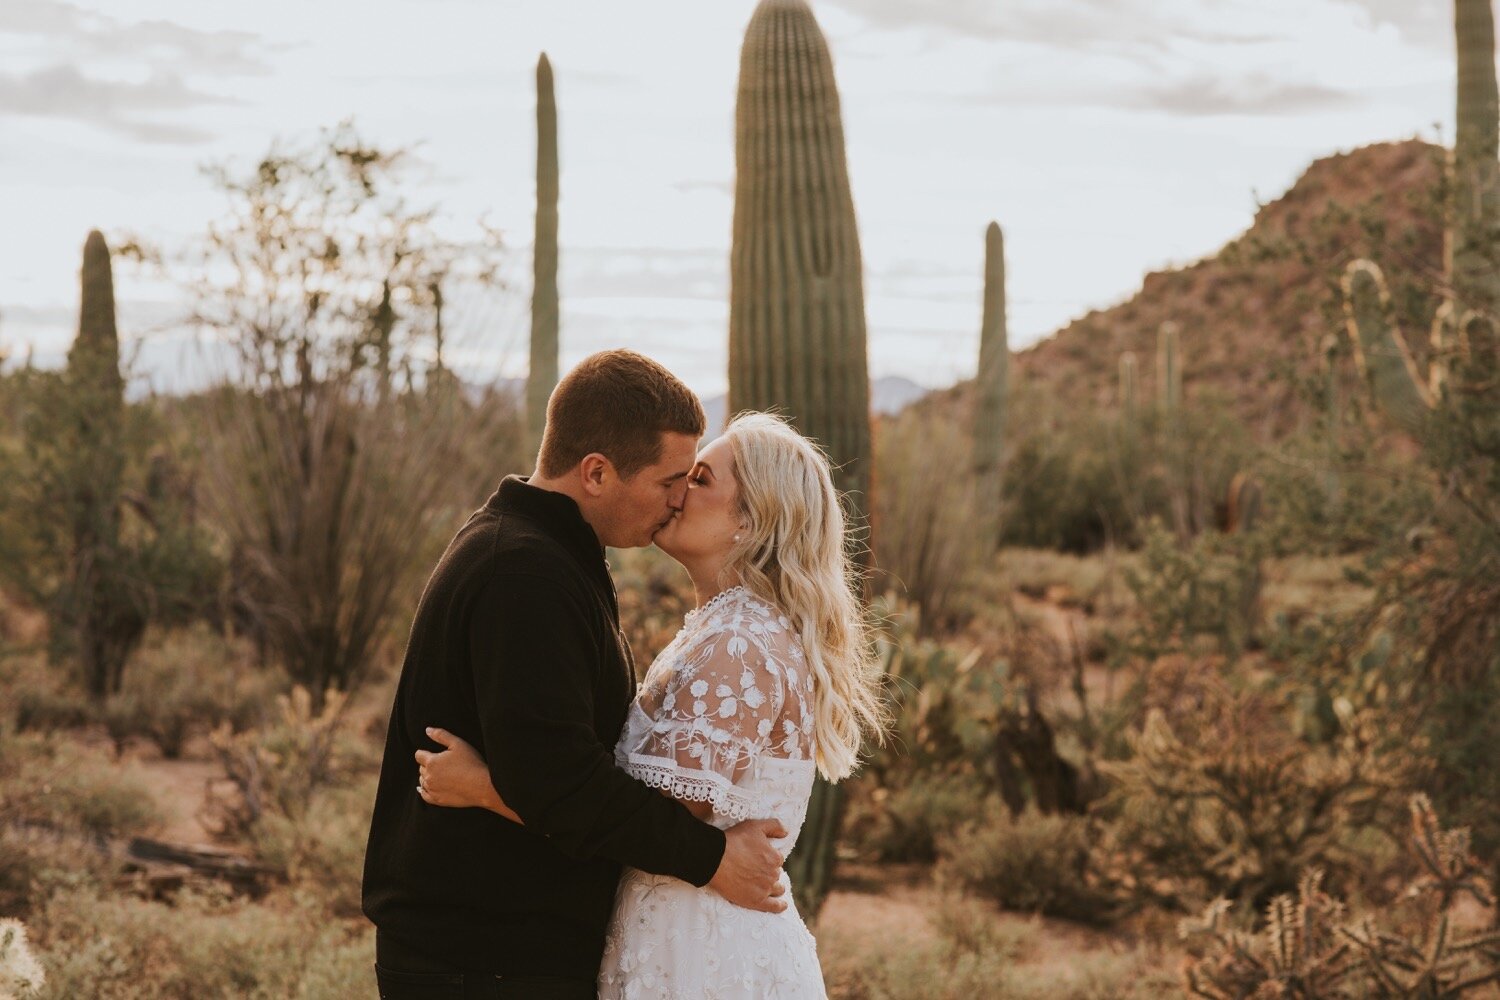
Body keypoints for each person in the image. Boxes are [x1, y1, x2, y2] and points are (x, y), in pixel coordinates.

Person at [362, 351, 791, 1000]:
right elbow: (559, 780)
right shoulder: (525, 573)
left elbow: (559, 768)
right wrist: (711, 859)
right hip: (482, 960)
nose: (677, 500)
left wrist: (486, 785)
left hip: (499, 952)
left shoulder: (546, 555)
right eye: (670, 480)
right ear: (596, 472)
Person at [417, 410, 886, 998]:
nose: (679, 492)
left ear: (753, 521)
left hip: (698, 956)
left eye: (701, 480)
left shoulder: (738, 644)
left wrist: (483, 787)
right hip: (679, 937)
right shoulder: (728, 631)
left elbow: (661, 820)